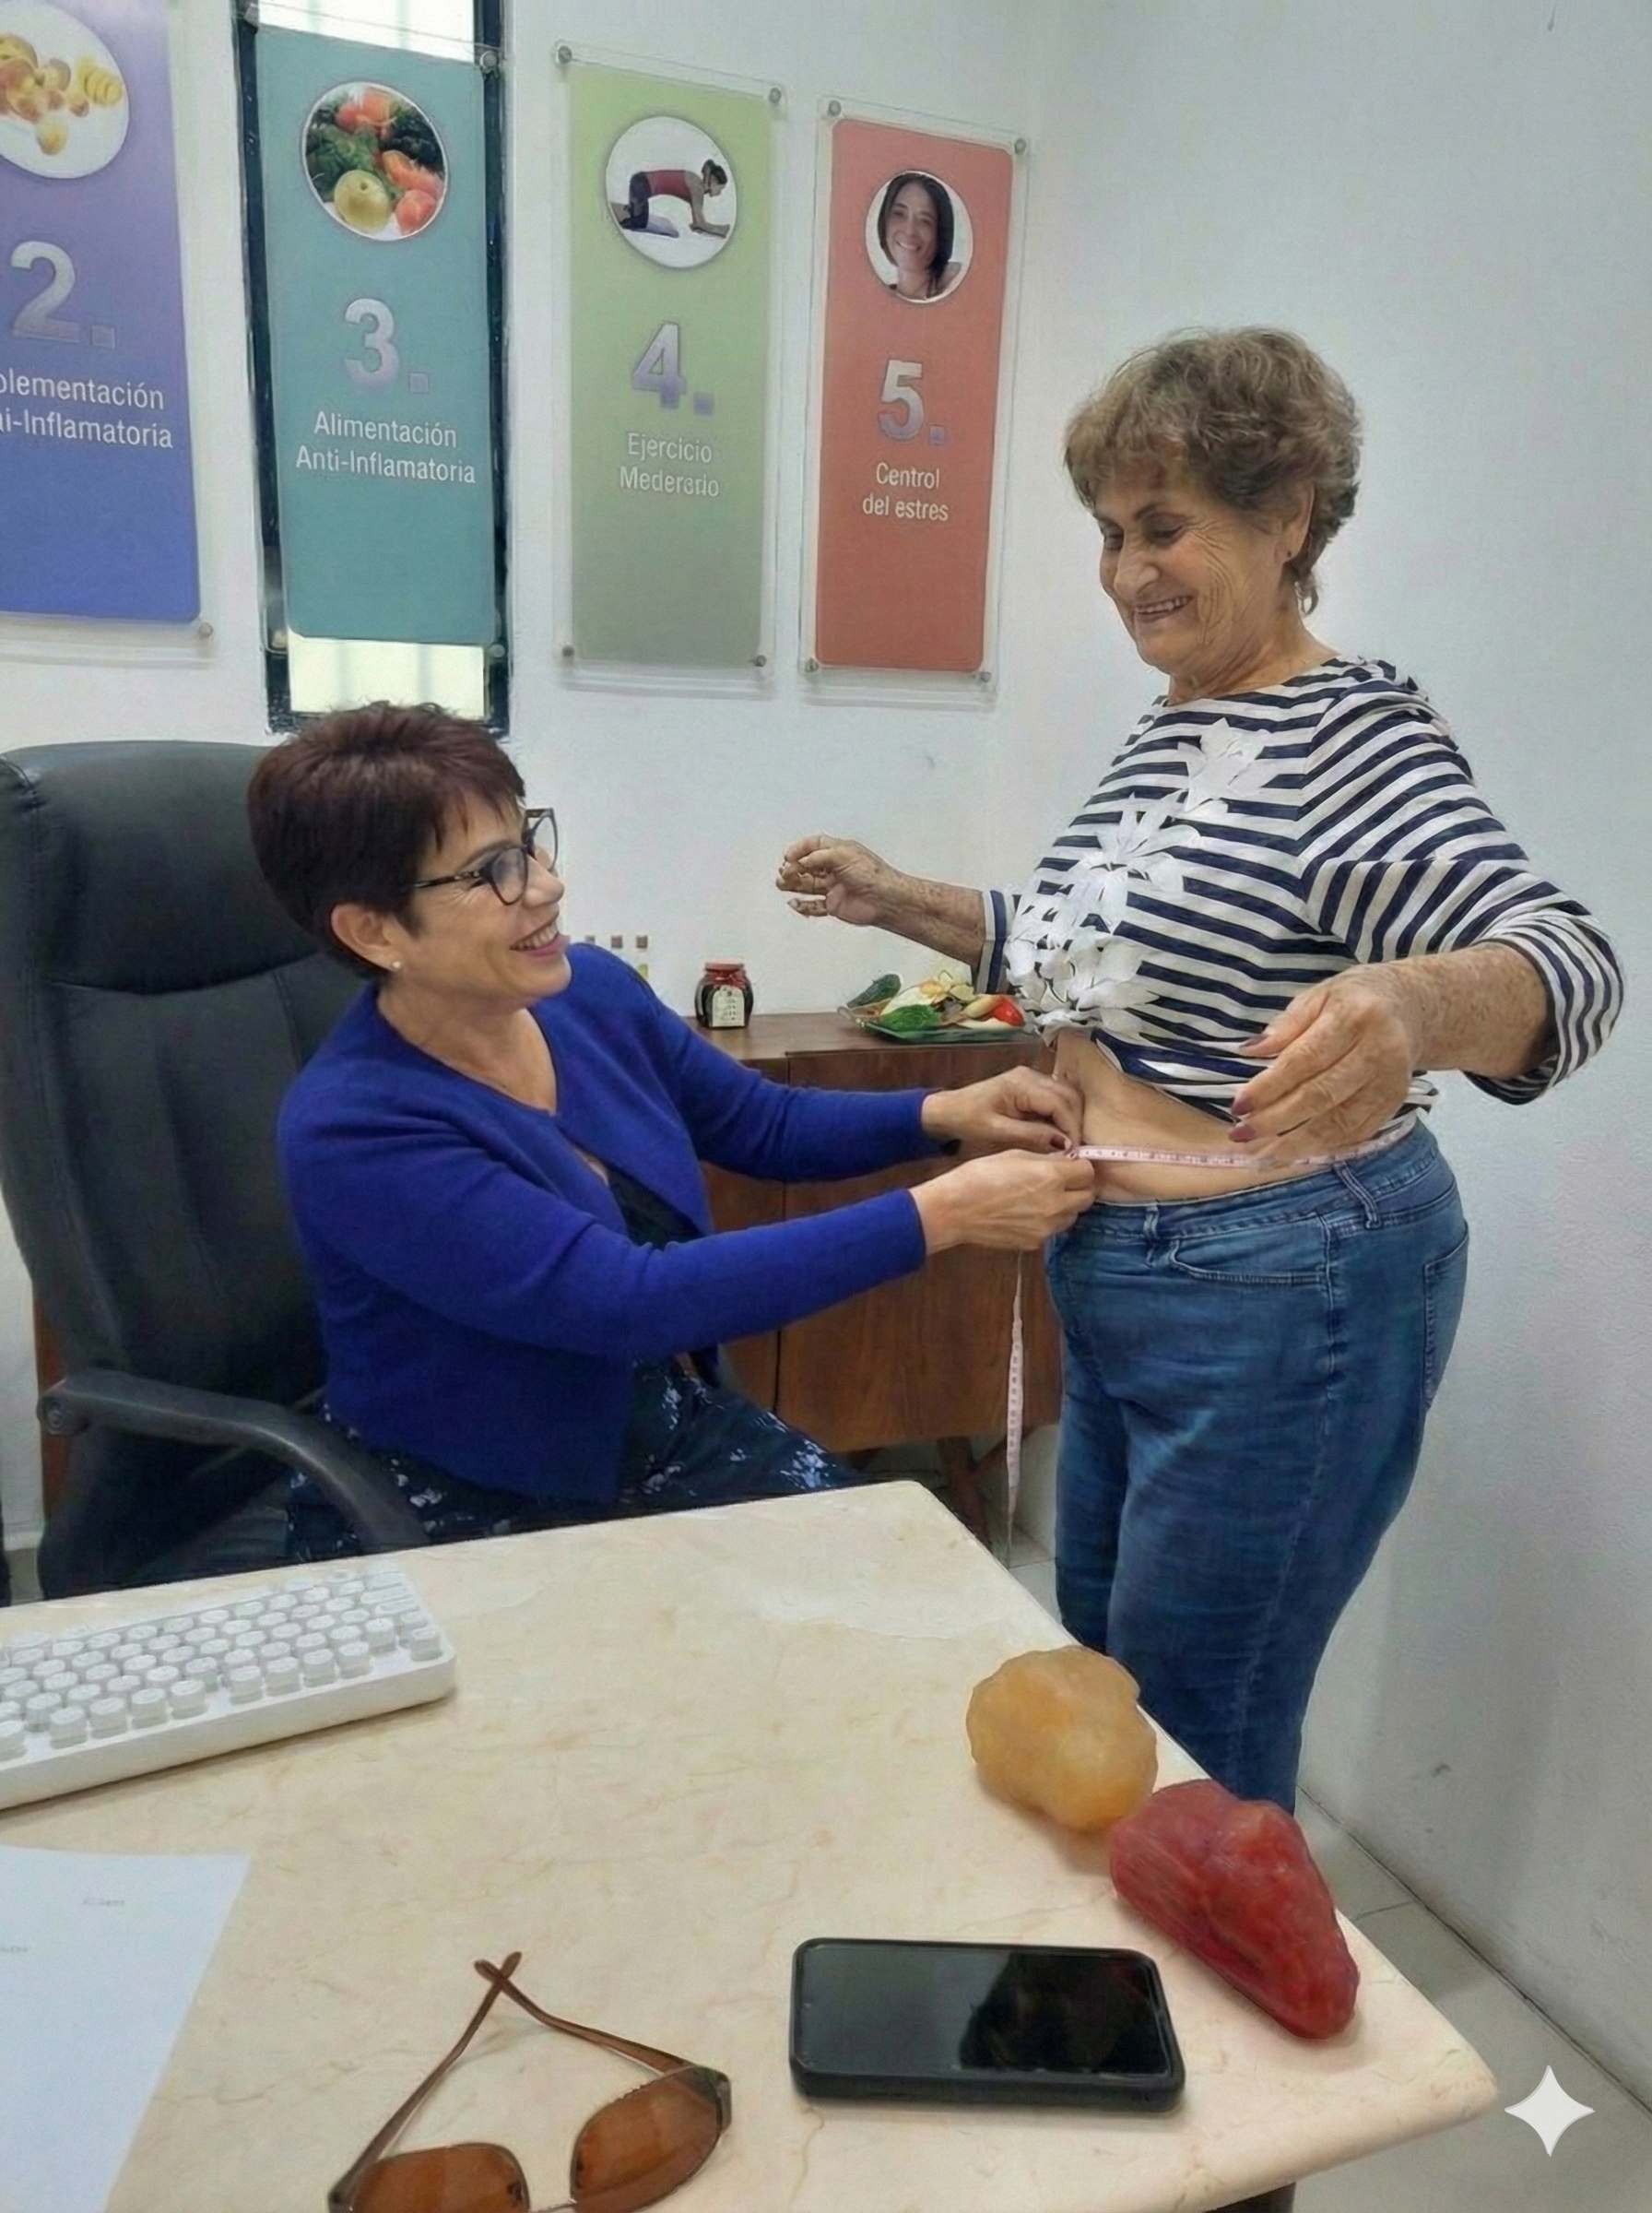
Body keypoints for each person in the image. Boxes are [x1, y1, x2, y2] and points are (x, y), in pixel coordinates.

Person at [777, 327, 1622, 1809]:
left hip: (1280, 1288)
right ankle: (1123, 2015)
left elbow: (1570, 960)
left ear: (1286, 513)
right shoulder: (1177, 728)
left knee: (1194, 1748)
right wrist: (898, 895)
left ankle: (1215, 2028)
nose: (1124, 574)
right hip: (1134, 1271)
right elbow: (1084, 951)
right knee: (1106, 1688)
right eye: (1110, 536)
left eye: (1162, 528)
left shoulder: (1349, 737)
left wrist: (1418, 1006)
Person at [248, 704, 1093, 1561]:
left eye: (532, 841)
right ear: (373, 930)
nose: (546, 885)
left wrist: (941, 1114)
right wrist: (942, 1215)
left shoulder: (590, 995)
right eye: (491, 872)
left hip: (653, 1427)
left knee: (910, 1582)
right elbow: (625, 1302)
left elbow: (760, 1123)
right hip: (466, 1491)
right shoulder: (355, 1128)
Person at [877, 172, 961, 302]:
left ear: (940, 234)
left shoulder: (957, 288)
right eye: (899, 214)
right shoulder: (874, 301)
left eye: (925, 221)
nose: (910, 230)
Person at [615, 159, 730, 239]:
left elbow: (709, 164)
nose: (720, 193)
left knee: (638, 219)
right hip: (640, 186)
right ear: (714, 181)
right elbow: (700, 224)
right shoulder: (697, 188)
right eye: (720, 188)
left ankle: (632, 210)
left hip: (639, 182)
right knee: (639, 224)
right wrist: (722, 230)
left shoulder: (697, 183)